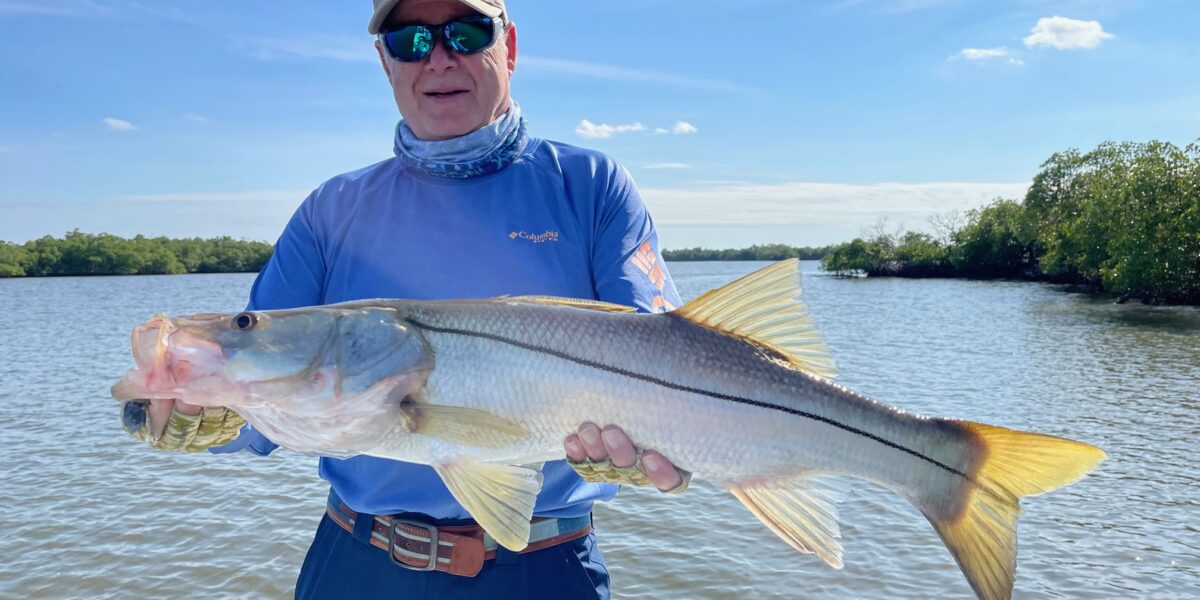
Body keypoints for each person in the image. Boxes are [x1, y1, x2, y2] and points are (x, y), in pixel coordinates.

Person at [120, 0, 689, 598]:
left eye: (467, 33)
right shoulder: (330, 210)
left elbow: (667, 357)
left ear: (510, 47)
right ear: (384, 63)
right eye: (410, 40)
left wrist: (653, 438)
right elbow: (257, 419)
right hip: (357, 562)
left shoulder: (590, 186)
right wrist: (178, 414)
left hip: (546, 568)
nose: (439, 58)